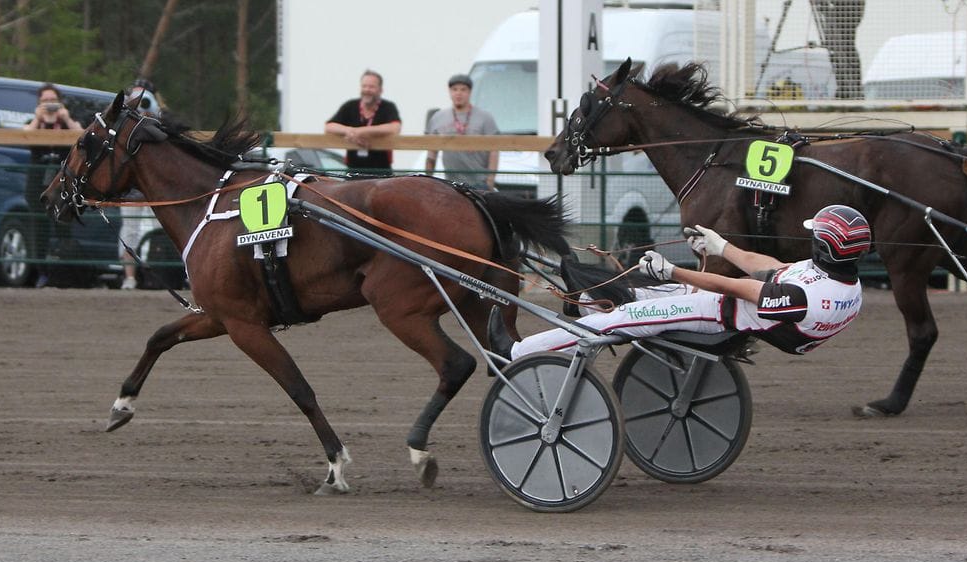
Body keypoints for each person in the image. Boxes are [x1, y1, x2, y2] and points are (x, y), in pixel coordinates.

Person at [490, 205, 871, 360]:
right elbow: (770, 268)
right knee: (632, 290)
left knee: (617, 320)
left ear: (823, 246)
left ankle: (517, 352)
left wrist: (673, 271)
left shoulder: (802, 297)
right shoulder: (846, 285)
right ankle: (587, 299)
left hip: (717, 315)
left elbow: (733, 287)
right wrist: (721, 246)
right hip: (729, 306)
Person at [24, 83, 83, 287]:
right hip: (37, 184)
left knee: (63, 226)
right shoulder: (33, 122)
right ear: (38, 103)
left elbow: (82, 135)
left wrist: (66, 118)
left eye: (53, 100)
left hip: (62, 184)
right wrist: (38, 118)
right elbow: (26, 135)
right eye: (45, 101)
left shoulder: (66, 121)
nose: (49, 104)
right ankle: (40, 273)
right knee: (38, 228)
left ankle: (65, 274)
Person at [119, 78, 165, 290]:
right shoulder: (124, 118)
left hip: (155, 189)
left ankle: (164, 273)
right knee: (130, 232)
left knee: (162, 230)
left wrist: (154, 114)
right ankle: (129, 277)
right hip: (132, 190)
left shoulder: (159, 118)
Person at [425, 74, 499, 191]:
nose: (458, 93)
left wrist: (490, 181)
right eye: (455, 89)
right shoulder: (438, 117)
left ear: (469, 92)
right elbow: (431, 152)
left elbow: (494, 151)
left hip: (479, 183)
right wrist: (428, 180)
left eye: (463, 90)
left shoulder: (485, 117)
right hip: (450, 183)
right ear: (450, 92)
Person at [324, 70, 401, 174]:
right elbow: (329, 127)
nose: (367, 90)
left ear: (380, 90)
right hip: (353, 171)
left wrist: (361, 132)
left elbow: (395, 128)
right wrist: (349, 131)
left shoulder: (388, 107)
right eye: (364, 86)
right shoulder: (350, 106)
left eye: (371, 87)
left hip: (381, 172)